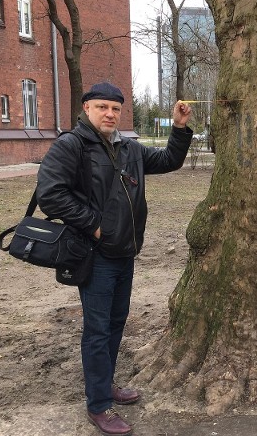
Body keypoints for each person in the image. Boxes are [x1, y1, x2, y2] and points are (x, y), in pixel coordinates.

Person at [36, 82, 193, 436]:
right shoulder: (71, 145)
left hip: (125, 252)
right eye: (103, 107)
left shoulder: (129, 149)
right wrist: (95, 226)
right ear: (87, 108)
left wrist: (179, 128)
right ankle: (98, 405)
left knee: (116, 322)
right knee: (97, 329)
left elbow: (169, 161)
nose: (110, 114)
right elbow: (51, 194)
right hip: (95, 256)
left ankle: (105, 385)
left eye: (116, 109)